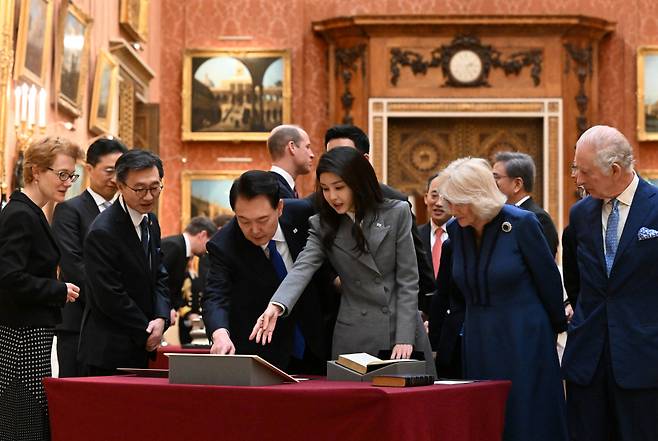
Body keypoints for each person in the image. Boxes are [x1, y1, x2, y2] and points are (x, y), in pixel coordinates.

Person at [251, 147, 435, 375]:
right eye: (325, 189)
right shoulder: (323, 224)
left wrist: (405, 338)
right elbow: (302, 268)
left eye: (339, 188)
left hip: (401, 328)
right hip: (354, 335)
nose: (332, 197)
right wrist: (276, 305)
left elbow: (408, 281)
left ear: (358, 182)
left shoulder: (397, 213)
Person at [438, 157, 567, 441]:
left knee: (525, 417)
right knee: (487, 417)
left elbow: (548, 280)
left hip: (524, 338)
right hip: (478, 338)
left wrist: (554, 328)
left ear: (478, 196)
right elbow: (454, 291)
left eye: (457, 201)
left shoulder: (522, 223)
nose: (451, 209)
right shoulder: (456, 230)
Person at [563, 125, 658, 441]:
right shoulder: (579, 215)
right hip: (588, 362)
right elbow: (575, 282)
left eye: (584, 171)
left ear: (615, 170)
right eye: (576, 168)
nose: (577, 179)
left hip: (644, 361)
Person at [203, 171, 331, 373]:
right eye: (243, 220)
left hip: (316, 342)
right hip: (264, 356)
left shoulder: (302, 215)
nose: (254, 229)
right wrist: (219, 333)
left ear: (279, 207)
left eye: (262, 219)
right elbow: (215, 296)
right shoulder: (223, 245)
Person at [0, 136, 83, 440]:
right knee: (22, 425)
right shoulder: (21, 213)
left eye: (71, 176)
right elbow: (9, 277)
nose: (68, 183)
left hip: (30, 336)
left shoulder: (31, 212)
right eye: (62, 174)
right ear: (36, 171)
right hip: (20, 339)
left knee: (30, 423)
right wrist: (58, 291)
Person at [324, 124, 435, 314]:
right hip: (340, 314)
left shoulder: (395, 202)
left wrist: (425, 312)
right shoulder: (319, 204)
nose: (336, 163)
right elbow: (310, 264)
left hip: (388, 313)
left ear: (364, 160)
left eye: (344, 155)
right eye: (330, 156)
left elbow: (414, 264)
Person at [78, 150, 170, 376]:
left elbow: (159, 273)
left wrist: (161, 317)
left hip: (139, 343)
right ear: (119, 185)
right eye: (139, 189)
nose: (148, 196)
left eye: (155, 187)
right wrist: (146, 331)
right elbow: (109, 294)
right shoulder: (104, 231)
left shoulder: (151, 221)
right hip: (109, 350)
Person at [51, 137, 127, 377]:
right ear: (89, 168)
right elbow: (73, 264)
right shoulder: (69, 210)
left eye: (120, 172)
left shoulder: (126, 212)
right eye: (109, 171)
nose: (115, 178)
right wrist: (112, 300)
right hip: (79, 324)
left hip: (117, 327)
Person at [492, 151, 559, 257]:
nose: (491, 183)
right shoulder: (496, 215)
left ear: (517, 184)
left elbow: (542, 265)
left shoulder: (539, 218)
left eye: (496, 177)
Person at [161, 216, 217, 343]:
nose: (208, 251)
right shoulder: (174, 246)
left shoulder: (183, 250)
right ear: (202, 235)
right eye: (209, 243)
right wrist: (165, 308)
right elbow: (158, 281)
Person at [267, 125, 314, 198]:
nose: (312, 155)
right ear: (292, 147)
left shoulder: (273, 186)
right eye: (307, 147)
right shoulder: (275, 191)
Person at [418, 173, 451, 278]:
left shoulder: (464, 234)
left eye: (445, 197)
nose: (439, 203)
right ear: (425, 198)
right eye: (434, 196)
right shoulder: (415, 235)